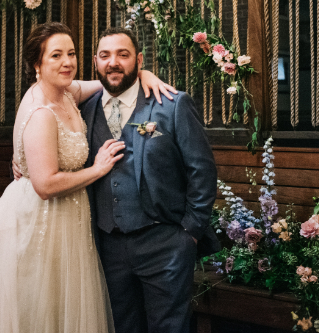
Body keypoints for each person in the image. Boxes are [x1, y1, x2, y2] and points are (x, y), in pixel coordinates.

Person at [0, 22, 175, 333]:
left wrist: (142, 73)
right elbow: (45, 185)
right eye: (55, 55)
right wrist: (97, 169)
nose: (67, 62)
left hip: (70, 220)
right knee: (46, 313)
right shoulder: (42, 111)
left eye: (71, 53)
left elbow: (107, 81)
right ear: (37, 64)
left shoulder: (66, 92)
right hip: (42, 221)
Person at [79, 27, 219, 333]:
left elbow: (202, 171)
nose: (113, 62)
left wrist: (189, 233)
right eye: (105, 55)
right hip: (107, 246)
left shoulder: (172, 104)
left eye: (123, 54)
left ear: (139, 60)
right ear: (95, 62)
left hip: (165, 243)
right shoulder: (83, 110)